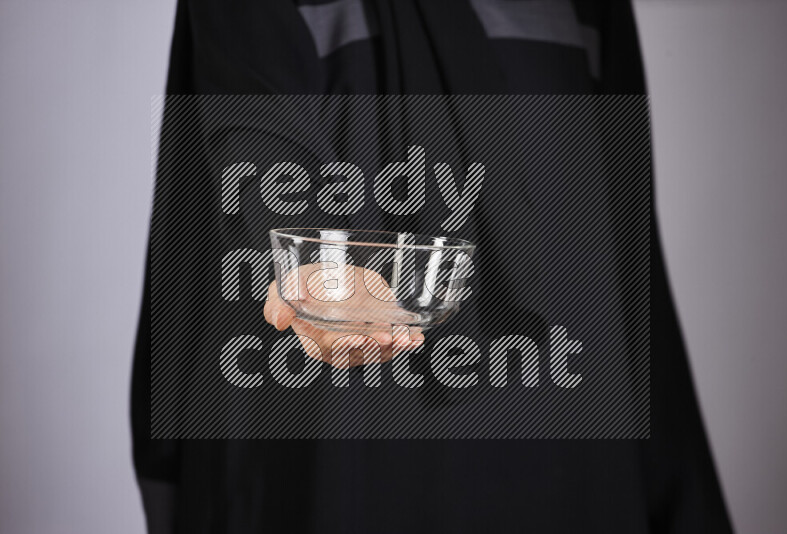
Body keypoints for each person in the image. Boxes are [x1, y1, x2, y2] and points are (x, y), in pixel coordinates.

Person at [131, 1, 733, 532]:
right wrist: (316, 265)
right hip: (343, 440)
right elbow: (255, 120)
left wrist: (679, 498)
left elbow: (625, 251)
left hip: (569, 443)